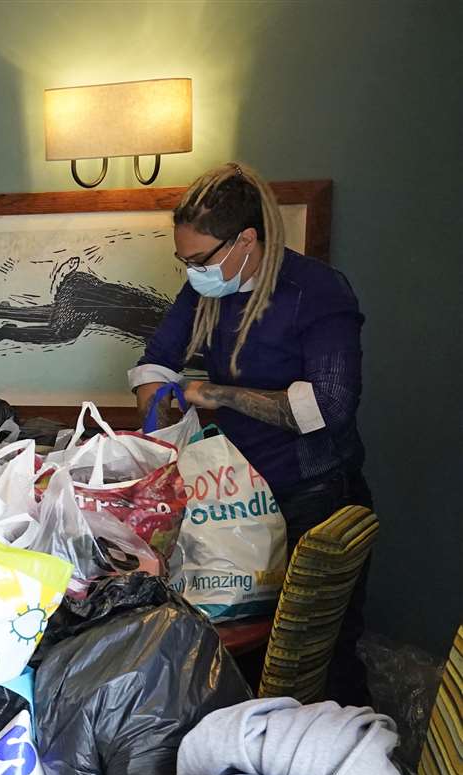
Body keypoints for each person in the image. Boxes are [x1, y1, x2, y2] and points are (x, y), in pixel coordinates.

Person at [131, 161, 371, 703]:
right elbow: (156, 361)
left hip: (310, 496)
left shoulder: (317, 292)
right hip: (234, 495)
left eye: (198, 260)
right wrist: (156, 401)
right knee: (240, 649)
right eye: (182, 260)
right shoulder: (207, 292)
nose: (190, 272)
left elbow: (328, 407)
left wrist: (216, 395)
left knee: (316, 652)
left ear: (246, 240)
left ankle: (348, 759)